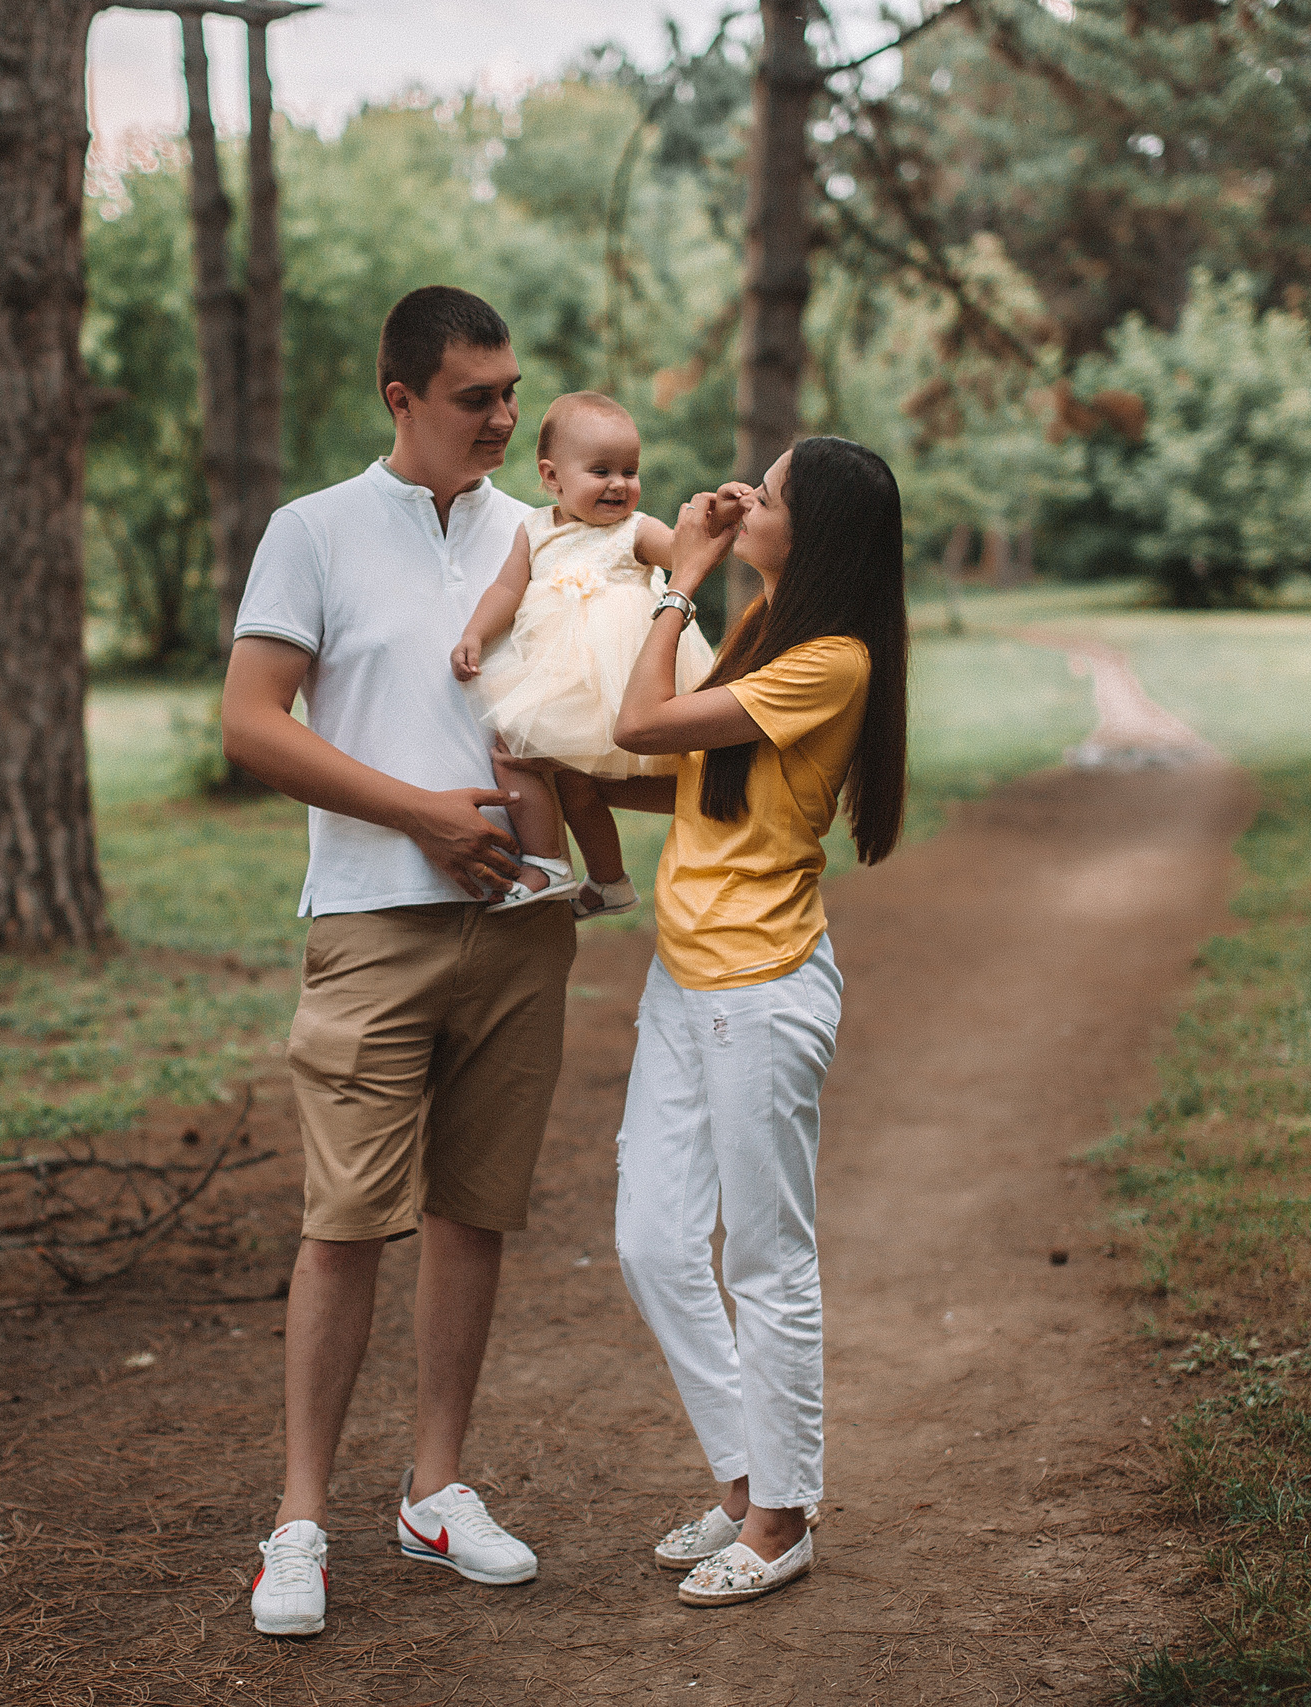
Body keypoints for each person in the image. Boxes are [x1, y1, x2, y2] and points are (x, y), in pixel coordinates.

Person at [219, 287, 573, 1639]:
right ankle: (298, 1519)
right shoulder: (311, 532)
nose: (503, 417)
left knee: (474, 1207)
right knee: (345, 1219)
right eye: (477, 395)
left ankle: (436, 1488)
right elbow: (252, 722)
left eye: (511, 391)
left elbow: (582, 717)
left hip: (525, 923)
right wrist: (420, 816)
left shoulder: (542, 539)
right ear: (401, 398)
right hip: (371, 919)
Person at [597, 436, 911, 1607]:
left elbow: (641, 725)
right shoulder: (768, 629)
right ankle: (743, 1481)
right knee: (650, 1241)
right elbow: (682, 772)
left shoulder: (832, 659)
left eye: (766, 493)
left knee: (766, 1260)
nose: (744, 495)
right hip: (687, 976)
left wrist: (681, 573)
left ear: (808, 529)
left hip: (759, 985)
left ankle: (780, 1521)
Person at [448, 391, 717, 917]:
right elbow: (505, 591)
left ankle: (548, 863)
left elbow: (683, 554)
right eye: (601, 470)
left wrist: (710, 523)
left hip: (618, 683)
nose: (620, 483)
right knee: (575, 782)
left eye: (630, 470)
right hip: (561, 678)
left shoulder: (634, 531)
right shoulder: (534, 531)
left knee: (511, 751)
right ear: (553, 478)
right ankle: (609, 880)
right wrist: (475, 634)